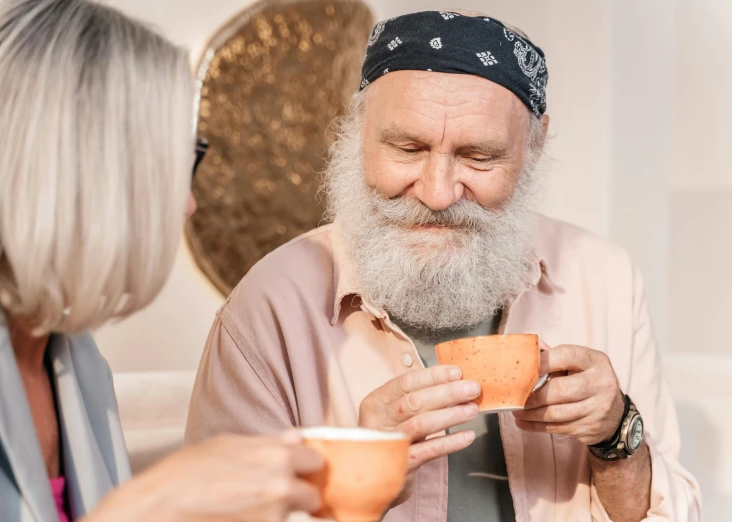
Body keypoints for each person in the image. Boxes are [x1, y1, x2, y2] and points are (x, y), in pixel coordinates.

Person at [185, 10, 701, 522]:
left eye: (478, 157)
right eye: (407, 148)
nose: (437, 193)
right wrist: (349, 488)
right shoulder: (269, 305)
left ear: (534, 145)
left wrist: (617, 434)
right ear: (359, 132)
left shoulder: (605, 278)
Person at [0, 1, 323, 521]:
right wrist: (149, 505)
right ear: (74, 171)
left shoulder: (73, 359)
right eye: (173, 160)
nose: (189, 203)